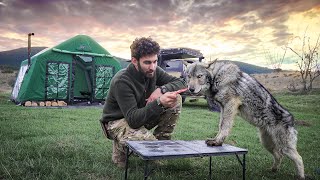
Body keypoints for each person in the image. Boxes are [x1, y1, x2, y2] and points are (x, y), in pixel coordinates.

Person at [100, 37, 187, 167]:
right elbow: (133, 120)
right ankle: (121, 146)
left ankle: (160, 146)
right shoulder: (122, 81)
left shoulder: (153, 71)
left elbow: (181, 83)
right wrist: (159, 103)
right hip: (116, 122)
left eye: (155, 61)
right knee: (149, 147)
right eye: (147, 62)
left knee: (175, 99)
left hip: (139, 115)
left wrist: (162, 90)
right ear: (135, 61)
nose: (152, 67)